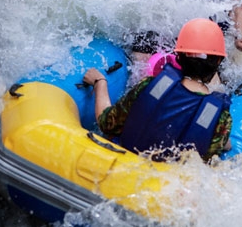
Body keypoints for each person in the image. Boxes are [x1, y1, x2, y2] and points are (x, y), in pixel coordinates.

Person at [84, 18, 232, 162]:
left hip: (127, 166)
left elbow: (107, 124)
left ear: (178, 56)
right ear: (218, 61)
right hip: (168, 182)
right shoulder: (220, 117)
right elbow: (211, 155)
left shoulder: (149, 85)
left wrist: (100, 83)